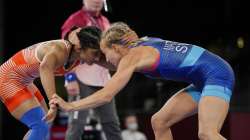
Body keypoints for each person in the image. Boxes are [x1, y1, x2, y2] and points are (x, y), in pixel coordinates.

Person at [50, 22, 235, 140]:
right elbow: (115, 44)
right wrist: (83, 49)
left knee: (207, 134)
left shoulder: (132, 57)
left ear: (116, 47)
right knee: (159, 121)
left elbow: (106, 95)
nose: (106, 60)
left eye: (106, 55)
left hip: (217, 74)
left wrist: (70, 106)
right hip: (202, 79)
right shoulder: (139, 44)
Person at [0, 26, 103, 140]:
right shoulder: (58, 50)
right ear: (79, 48)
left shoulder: (79, 55)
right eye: (95, 53)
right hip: (7, 79)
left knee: (45, 123)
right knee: (40, 125)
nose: (97, 58)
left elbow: (111, 63)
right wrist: (53, 103)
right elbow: (45, 68)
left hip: (25, 81)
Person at [61, 0, 122, 140]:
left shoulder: (105, 21)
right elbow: (66, 49)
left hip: (104, 80)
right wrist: (69, 79)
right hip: (81, 78)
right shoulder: (75, 19)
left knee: (112, 123)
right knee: (77, 124)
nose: (96, 1)